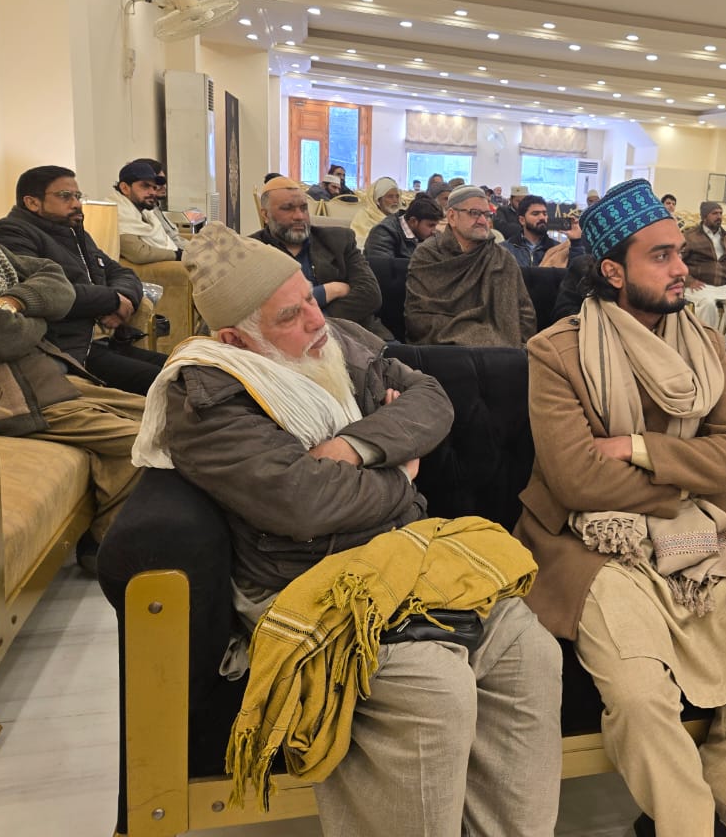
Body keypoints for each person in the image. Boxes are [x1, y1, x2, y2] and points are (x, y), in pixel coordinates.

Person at [130, 222, 561, 837]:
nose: (316, 320)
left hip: (408, 560)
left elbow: (431, 399)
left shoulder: (343, 339)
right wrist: (401, 475)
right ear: (235, 339)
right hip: (311, 586)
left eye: (309, 298)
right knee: (434, 687)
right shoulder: (209, 396)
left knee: (531, 652)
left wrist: (354, 449)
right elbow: (303, 504)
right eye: (290, 315)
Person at [514, 178, 726, 837]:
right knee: (640, 698)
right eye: (661, 256)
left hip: (704, 534)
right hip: (593, 547)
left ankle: (697, 819)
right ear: (613, 271)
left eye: (681, 253)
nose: (681, 269)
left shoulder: (706, 345)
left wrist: (637, 448)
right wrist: (688, 479)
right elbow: (577, 482)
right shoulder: (556, 352)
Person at [0, 159, 146, 569]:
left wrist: (16, 302)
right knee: (143, 439)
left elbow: (55, 279)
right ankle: (106, 549)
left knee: (158, 413)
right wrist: (39, 318)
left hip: (42, 375)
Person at [0, 164, 167, 395]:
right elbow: (45, 292)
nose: (76, 203)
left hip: (106, 342)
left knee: (189, 367)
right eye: (65, 196)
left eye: (77, 196)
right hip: (69, 350)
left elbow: (121, 272)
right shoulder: (11, 234)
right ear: (32, 202)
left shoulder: (74, 232)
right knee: (172, 382)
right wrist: (111, 300)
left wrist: (124, 297)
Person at [251, 176, 387, 339]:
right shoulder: (252, 251)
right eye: (288, 208)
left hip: (357, 336)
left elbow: (370, 295)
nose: (299, 216)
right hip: (287, 345)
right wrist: (328, 291)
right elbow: (264, 310)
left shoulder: (339, 240)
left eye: (303, 208)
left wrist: (317, 321)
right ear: (265, 215)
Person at [405, 185, 535, 346]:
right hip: (441, 351)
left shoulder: (502, 258)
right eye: (474, 213)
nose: (483, 221)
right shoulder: (428, 255)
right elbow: (419, 318)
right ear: (452, 217)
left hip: (500, 354)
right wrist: (482, 337)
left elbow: (525, 314)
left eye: (487, 215)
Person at [680, 201, 726, 335]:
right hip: (700, 284)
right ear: (704, 216)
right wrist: (689, 281)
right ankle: (708, 340)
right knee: (708, 304)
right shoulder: (690, 236)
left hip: (724, 284)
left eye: (720, 213)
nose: (719, 216)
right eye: (714, 213)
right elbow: (678, 261)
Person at [112, 159, 186, 263]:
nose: (153, 192)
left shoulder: (146, 213)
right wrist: (177, 255)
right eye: (145, 186)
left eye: (154, 187)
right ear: (125, 188)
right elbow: (139, 254)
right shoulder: (117, 213)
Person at [363, 196, 442, 259]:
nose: (434, 231)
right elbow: (383, 269)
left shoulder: (425, 234)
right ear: (413, 221)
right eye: (431, 225)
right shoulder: (383, 233)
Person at [505, 194, 560, 267]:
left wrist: (574, 243)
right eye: (535, 214)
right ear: (522, 220)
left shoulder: (558, 249)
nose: (542, 217)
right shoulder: (505, 249)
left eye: (544, 214)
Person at [350, 177, 402, 245]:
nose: (395, 201)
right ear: (378, 200)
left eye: (397, 196)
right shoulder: (364, 217)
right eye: (390, 197)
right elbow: (359, 241)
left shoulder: (401, 218)